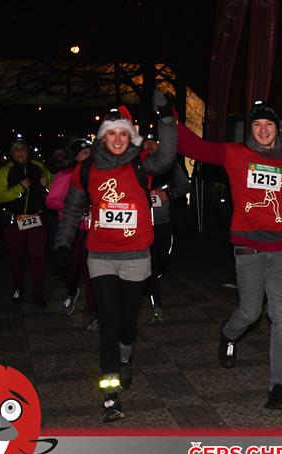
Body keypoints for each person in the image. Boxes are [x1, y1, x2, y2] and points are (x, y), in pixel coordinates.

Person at [177, 100, 282, 410]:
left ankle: (278, 387)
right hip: (248, 250)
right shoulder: (235, 154)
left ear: (277, 129)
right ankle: (228, 333)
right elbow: (194, 148)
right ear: (250, 130)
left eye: (269, 125)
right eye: (257, 125)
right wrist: (169, 119)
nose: (263, 130)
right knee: (250, 313)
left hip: (281, 252)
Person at [54, 93, 177, 422]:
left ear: (130, 136)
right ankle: (111, 395)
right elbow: (71, 210)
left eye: (124, 133)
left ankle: (125, 356)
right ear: (102, 137)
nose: (118, 139)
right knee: (108, 324)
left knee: (126, 323)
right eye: (112, 133)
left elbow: (167, 157)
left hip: (136, 257)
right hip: (101, 257)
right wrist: (62, 245)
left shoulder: (141, 163)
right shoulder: (86, 169)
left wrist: (166, 118)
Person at [0, 137, 53, 307]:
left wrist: (47, 184)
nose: (20, 152)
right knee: (16, 258)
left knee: (38, 257)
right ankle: (19, 287)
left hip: (36, 219)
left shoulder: (39, 166)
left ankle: (38, 292)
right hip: (13, 221)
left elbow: (54, 188)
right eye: (16, 150)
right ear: (12, 153)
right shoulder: (5, 170)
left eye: (23, 149)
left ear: (28, 151)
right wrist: (19, 188)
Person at [45, 138, 97, 323]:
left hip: (94, 229)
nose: (88, 155)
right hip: (73, 230)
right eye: (84, 153)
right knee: (73, 267)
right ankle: (72, 291)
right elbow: (51, 201)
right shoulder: (66, 174)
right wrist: (75, 203)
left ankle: (94, 309)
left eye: (90, 152)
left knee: (93, 270)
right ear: (75, 157)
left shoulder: (100, 172)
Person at [144, 135, 192, 323]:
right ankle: (156, 303)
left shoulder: (171, 166)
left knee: (162, 261)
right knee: (151, 264)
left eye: (153, 143)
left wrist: (168, 194)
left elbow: (186, 186)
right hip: (143, 225)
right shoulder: (138, 165)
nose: (149, 146)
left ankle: (150, 281)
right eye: (146, 143)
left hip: (164, 222)